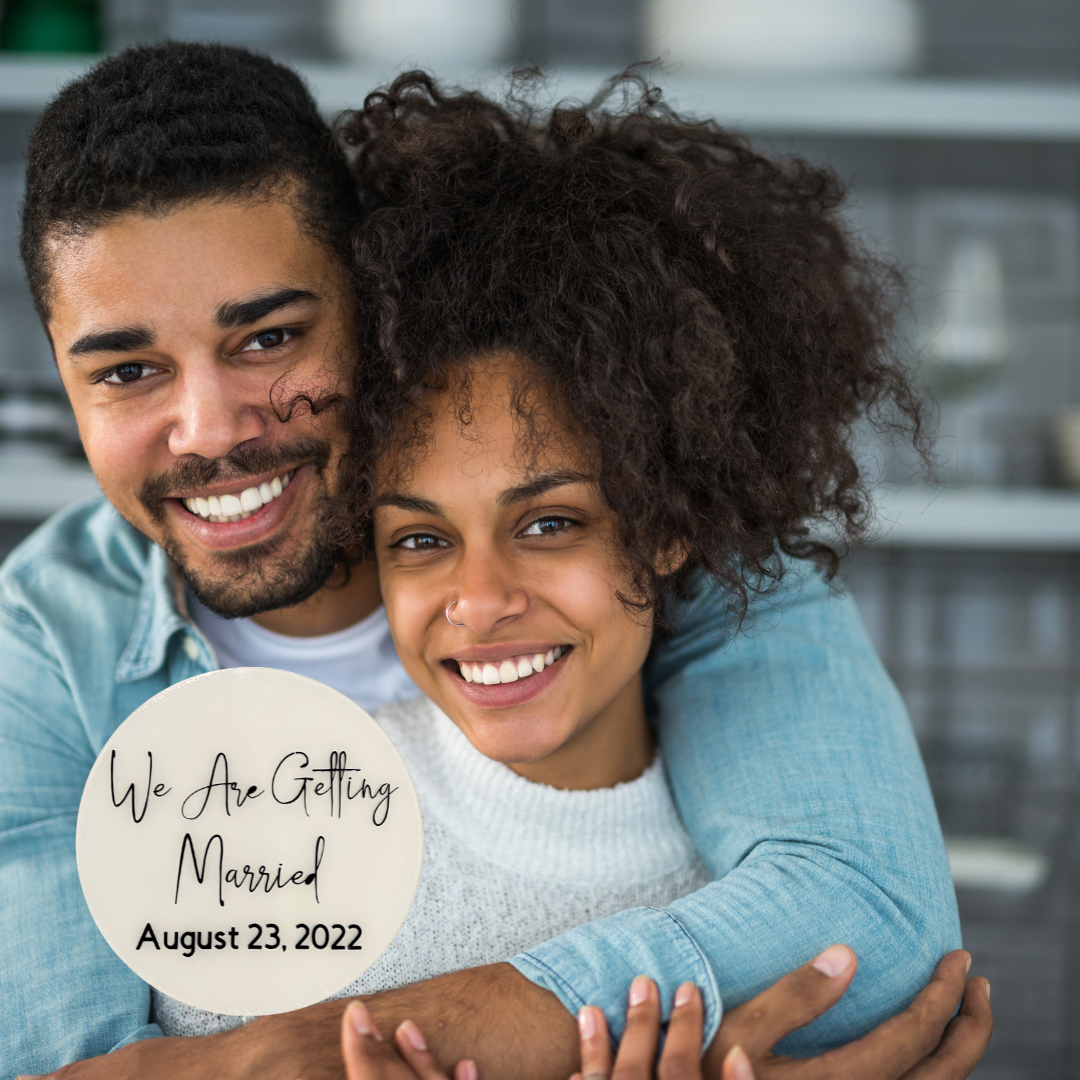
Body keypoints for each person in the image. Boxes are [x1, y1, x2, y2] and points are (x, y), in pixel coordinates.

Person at [0, 42, 984, 1080]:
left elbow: (868, 921)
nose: (206, 430)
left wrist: (318, 1051)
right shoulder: (47, 651)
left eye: (267, 339)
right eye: (126, 370)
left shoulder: (660, 520)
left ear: (371, 305)